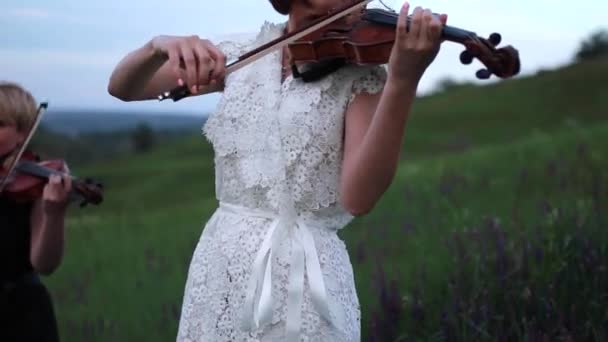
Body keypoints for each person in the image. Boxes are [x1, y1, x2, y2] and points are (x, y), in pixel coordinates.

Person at [107, 0, 446, 340]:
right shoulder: (243, 54)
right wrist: (157, 46)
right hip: (222, 263)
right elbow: (124, 88)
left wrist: (402, 81)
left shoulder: (363, 74)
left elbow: (359, 198)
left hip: (306, 280)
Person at [0, 82, 72, 342]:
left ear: (24, 132)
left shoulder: (35, 184)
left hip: (19, 316)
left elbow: (44, 264)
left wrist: (54, 213)